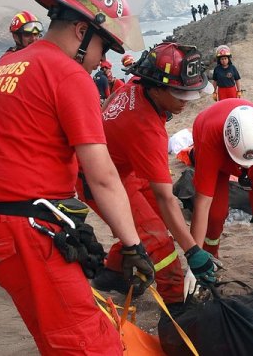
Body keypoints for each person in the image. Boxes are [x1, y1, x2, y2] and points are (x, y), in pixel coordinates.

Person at [0, 0, 154, 355]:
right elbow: (103, 176)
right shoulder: (68, 75)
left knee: (52, 326)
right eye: (103, 47)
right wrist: (133, 246)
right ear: (82, 31)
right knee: (86, 340)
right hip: (20, 228)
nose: (102, 61)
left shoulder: (7, 66)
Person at [79, 42, 215, 304]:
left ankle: (113, 273)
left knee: (151, 222)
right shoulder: (146, 128)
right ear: (157, 87)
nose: (186, 102)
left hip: (122, 167)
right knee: (158, 241)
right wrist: (192, 251)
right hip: (99, 180)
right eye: (180, 95)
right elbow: (165, 198)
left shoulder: (136, 87)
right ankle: (177, 305)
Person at [190, 100, 253, 287]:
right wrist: (193, 261)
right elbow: (202, 204)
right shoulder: (210, 138)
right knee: (215, 214)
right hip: (214, 146)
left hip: (252, 156)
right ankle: (208, 265)